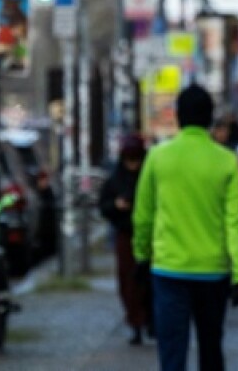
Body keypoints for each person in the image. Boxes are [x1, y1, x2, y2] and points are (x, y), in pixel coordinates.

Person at [133, 85, 238, 371]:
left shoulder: (158, 157)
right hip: (213, 271)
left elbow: (143, 215)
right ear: (210, 118)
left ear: (178, 117)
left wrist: (141, 255)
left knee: (172, 352)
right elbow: (235, 221)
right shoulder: (226, 161)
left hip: (168, 269)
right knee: (211, 349)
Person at [98, 134, 150, 345]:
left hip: (150, 234)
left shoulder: (149, 175)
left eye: (136, 159)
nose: (133, 165)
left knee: (149, 281)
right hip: (125, 233)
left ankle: (148, 320)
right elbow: (104, 206)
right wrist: (117, 206)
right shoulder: (115, 179)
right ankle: (136, 323)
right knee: (128, 281)